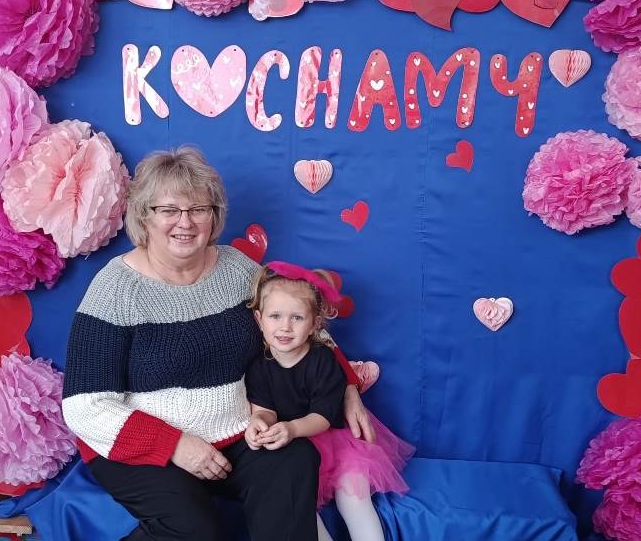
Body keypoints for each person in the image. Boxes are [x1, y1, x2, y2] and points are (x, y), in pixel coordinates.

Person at [61, 146, 374, 541]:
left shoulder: (237, 269)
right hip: (145, 448)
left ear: (214, 216)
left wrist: (346, 387)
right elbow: (84, 406)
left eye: (198, 209)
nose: (185, 222)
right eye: (169, 210)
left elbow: (299, 322)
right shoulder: (114, 290)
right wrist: (174, 445)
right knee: (194, 530)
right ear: (144, 216)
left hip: (236, 433)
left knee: (295, 458)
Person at [244, 262, 415, 541]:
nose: (285, 327)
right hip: (295, 449)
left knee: (354, 498)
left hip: (336, 442)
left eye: (297, 317)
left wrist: (292, 429)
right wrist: (260, 422)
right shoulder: (258, 368)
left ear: (315, 323)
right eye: (275, 316)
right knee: (295, 504)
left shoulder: (323, 360)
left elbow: (323, 417)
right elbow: (265, 409)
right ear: (259, 319)